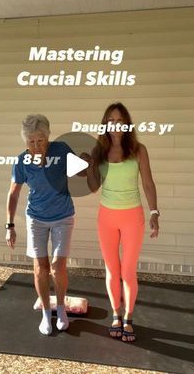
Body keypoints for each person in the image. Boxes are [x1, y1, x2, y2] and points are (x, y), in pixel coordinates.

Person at [81, 102, 159, 342]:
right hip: (107, 217)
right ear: (105, 123)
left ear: (127, 123)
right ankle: (115, 314)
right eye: (111, 120)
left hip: (132, 216)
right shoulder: (99, 150)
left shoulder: (138, 150)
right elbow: (93, 188)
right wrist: (90, 165)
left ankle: (129, 317)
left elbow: (147, 183)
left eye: (120, 120)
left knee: (128, 270)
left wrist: (155, 212)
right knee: (112, 270)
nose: (115, 125)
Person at [6, 114, 75, 335]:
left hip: (63, 216)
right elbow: (14, 195)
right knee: (40, 268)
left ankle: (61, 308)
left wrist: (86, 162)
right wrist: (10, 226)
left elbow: (80, 173)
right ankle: (46, 312)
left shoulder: (62, 150)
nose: (36, 146)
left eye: (40, 140)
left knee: (58, 265)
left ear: (48, 137)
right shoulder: (21, 162)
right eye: (31, 142)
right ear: (26, 142)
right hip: (36, 218)